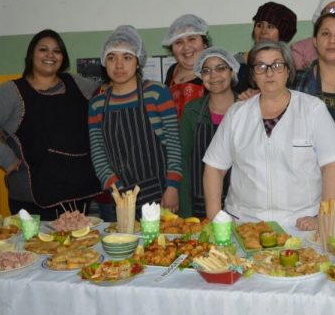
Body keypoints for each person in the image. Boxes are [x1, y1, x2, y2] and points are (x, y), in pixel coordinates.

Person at [202, 40, 335, 230]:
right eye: (261, 66)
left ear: (288, 71)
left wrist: (324, 217)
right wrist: (216, 219)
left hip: (301, 225)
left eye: (277, 65)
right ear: (253, 74)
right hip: (245, 225)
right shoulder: (237, 114)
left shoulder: (312, 109)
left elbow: (332, 166)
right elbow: (214, 167)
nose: (269, 73)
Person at [0, 29, 100, 219]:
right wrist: (6, 159)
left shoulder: (77, 84)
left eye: (57, 51)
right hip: (34, 201)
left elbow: (109, 95)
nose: (50, 55)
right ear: (31, 55)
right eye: (43, 49)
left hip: (79, 195)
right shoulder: (12, 92)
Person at [88, 26, 182, 220]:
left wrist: (172, 186)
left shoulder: (157, 93)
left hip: (161, 194)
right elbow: (98, 153)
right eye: (112, 58)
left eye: (127, 57)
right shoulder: (97, 104)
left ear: (138, 62)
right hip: (119, 197)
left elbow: (173, 144)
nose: (119, 65)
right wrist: (118, 190)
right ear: (104, 62)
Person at [179, 47, 240, 217]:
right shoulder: (192, 111)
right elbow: (183, 160)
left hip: (240, 205)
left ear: (232, 72)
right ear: (200, 76)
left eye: (221, 68)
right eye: (206, 70)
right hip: (200, 203)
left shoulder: (246, 108)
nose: (213, 75)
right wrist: (186, 211)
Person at [234, 1, 297, 93]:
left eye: (270, 27)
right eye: (259, 25)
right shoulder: (236, 63)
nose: (263, 31)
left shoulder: (290, 65)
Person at [162, 14, 211, 118]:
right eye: (178, 42)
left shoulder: (213, 72)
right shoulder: (172, 71)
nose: (186, 47)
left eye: (192, 39)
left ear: (204, 44)